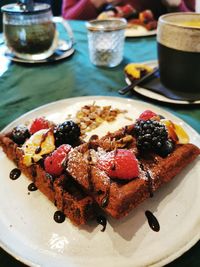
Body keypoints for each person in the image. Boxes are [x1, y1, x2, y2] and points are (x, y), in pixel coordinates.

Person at [62, 0, 195, 20]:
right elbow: (68, 19)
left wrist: (176, 4)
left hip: (153, 48)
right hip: (99, 43)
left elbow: (192, 23)